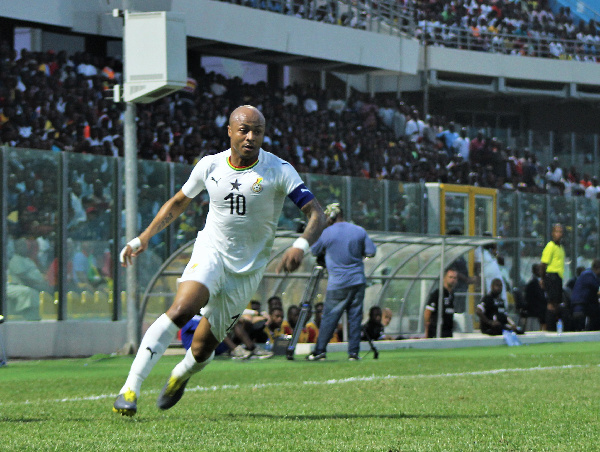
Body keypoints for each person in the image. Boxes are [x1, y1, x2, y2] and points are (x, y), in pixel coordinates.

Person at [113, 105, 326, 416]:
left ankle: (180, 375)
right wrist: (144, 237)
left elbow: (316, 213)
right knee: (182, 308)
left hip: (246, 272)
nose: (251, 137)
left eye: (258, 131)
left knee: (201, 349)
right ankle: (130, 388)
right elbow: (178, 202)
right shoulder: (210, 166)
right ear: (230, 131)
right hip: (210, 252)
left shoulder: (279, 170)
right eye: (244, 130)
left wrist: (300, 245)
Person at [306, 203, 376, 361]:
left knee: (330, 318)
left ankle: (320, 351)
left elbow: (314, 250)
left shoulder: (328, 233)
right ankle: (353, 353)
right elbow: (371, 251)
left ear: (332, 216)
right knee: (355, 318)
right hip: (358, 280)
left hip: (338, 283)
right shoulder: (359, 230)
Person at [540, 223, 565, 331]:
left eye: (560, 232)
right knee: (551, 303)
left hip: (558, 277)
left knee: (556, 303)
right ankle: (549, 327)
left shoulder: (560, 248)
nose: (558, 234)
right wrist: (543, 278)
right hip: (551, 276)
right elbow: (543, 263)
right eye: (556, 231)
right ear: (552, 233)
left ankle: (554, 326)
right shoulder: (550, 246)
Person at [424, 268, 458, 338]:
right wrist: (428, 328)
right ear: (444, 278)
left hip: (448, 330)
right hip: (437, 330)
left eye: (455, 278)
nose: (453, 280)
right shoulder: (438, 293)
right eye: (450, 277)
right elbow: (428, 311)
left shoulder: (452, 294)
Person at [570, 259, 600, 331]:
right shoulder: (588, 275)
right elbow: (596, 287)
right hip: (581, 305)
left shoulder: (589, 275)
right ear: (597, 268)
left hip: (584, 304)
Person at [522, 263, 547, 331]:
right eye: (537, 270)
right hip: (536, 312)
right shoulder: (532, 284)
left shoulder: (545, 282)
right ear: (533, 271)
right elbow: (530, 300)